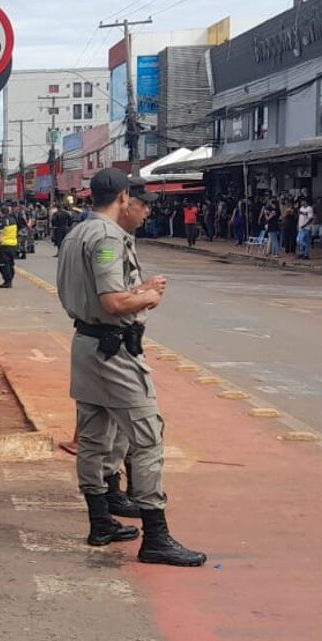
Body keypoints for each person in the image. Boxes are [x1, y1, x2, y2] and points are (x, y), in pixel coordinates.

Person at [56, 168, 206, 566]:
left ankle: (100, 521)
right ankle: (156, 535)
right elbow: (112, 302)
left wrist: (136, 290)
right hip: (113, 351)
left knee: (93, 437)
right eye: (138, 202)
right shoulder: (106, 237)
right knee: (147, 436)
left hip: (88, 345)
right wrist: (148, 297)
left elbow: (96, 294)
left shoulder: (78, 233)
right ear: (123, 197)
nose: (145, 210)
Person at [0, 205, 19, 288]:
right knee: (11, 263)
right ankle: (10, 280)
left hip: (4, 245)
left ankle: (7, 281)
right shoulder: (13, 220)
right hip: (13, 245)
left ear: (1, 212)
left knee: (3, 264)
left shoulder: (2, 221)